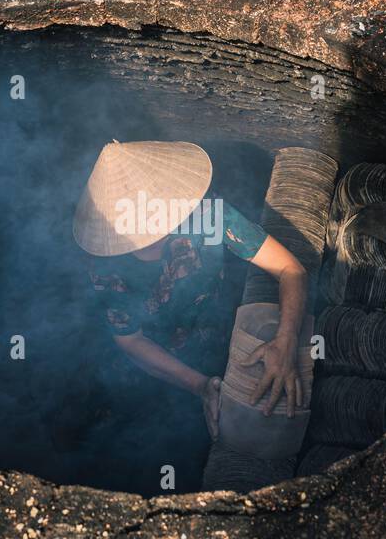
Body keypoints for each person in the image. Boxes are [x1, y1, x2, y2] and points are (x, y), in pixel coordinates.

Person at [74, 140, 309, 435]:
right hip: (157, 361)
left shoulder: (205, 213)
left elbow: (290, 269)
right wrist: (199, 386)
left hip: (217, 326)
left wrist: (285, 341)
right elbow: (131, 341)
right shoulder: (106, 266)